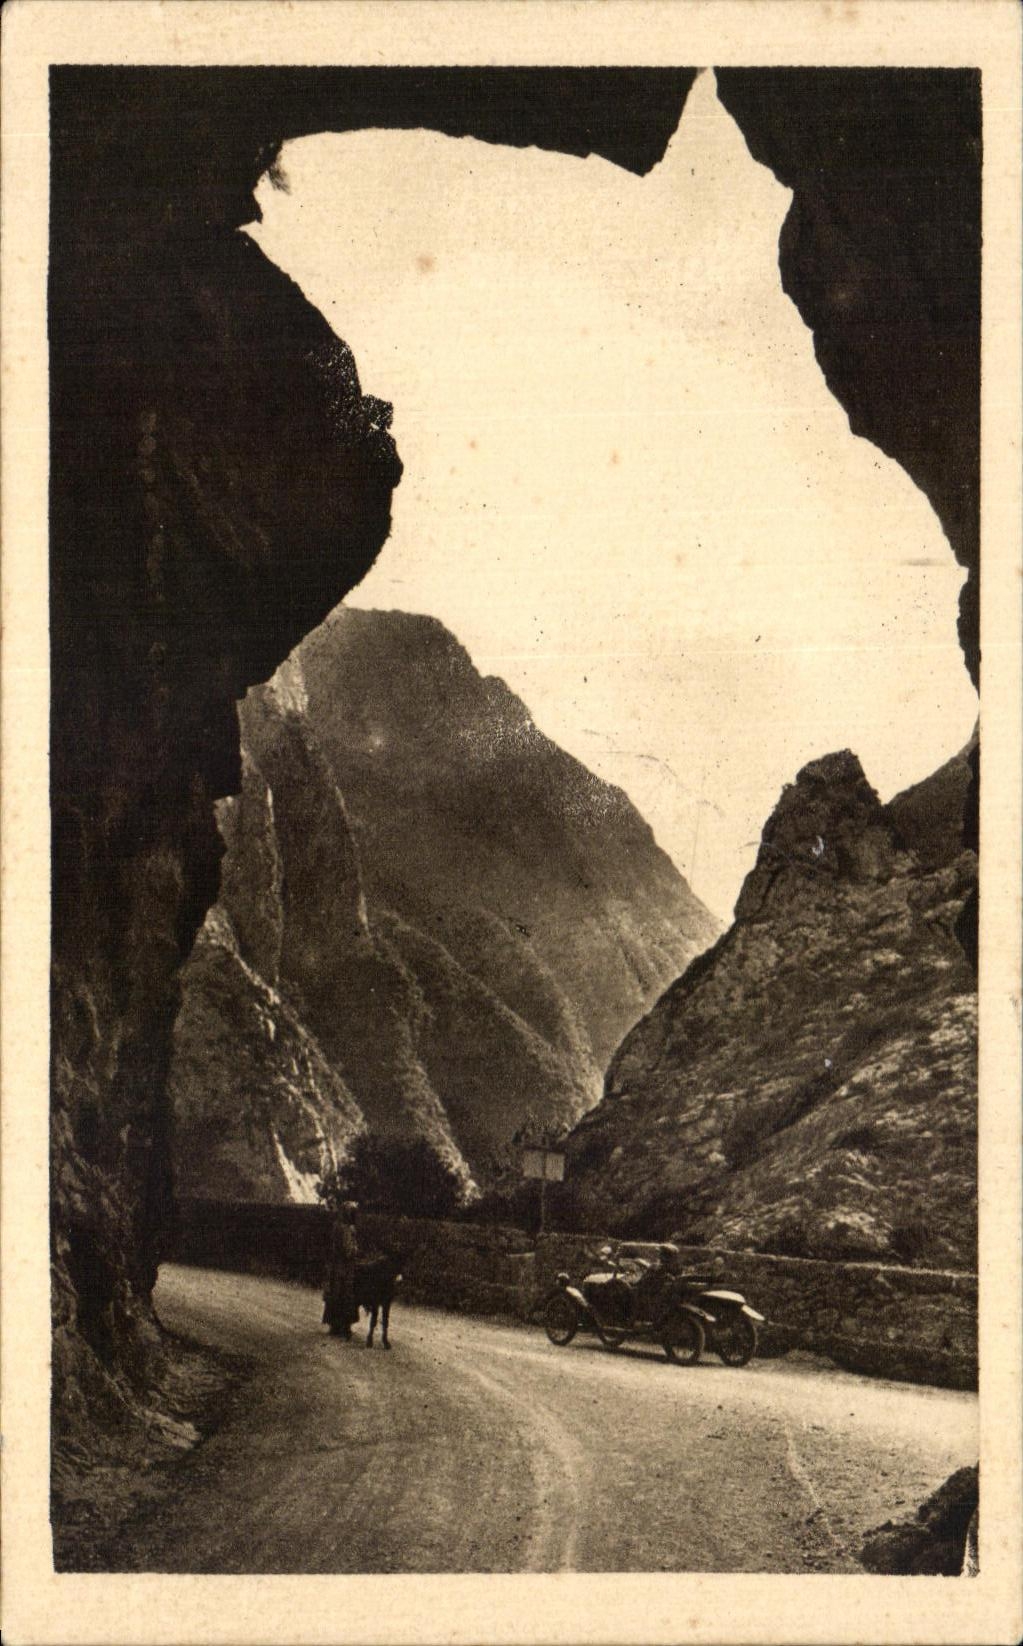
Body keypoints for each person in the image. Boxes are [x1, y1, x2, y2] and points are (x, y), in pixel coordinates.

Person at [323, 1199, 360, 1339]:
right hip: (344, 1266)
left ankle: (335, 1325)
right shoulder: (346, 1229)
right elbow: (348, 1250)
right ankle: (344, 1326)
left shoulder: (337, 1226)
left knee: (336, 1293)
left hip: (337, 1266)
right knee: (345, 1294)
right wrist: (355, 1249)